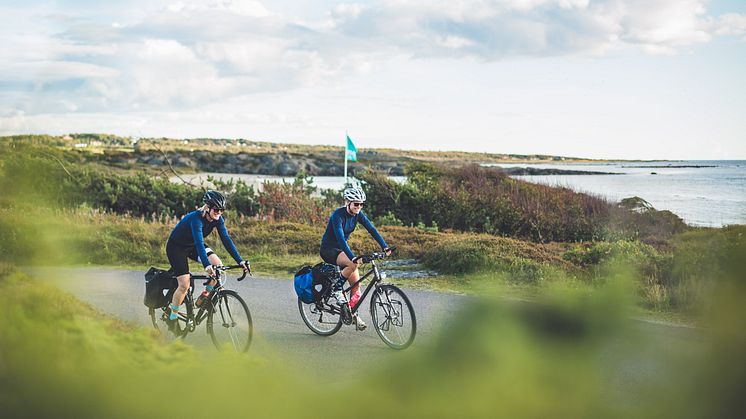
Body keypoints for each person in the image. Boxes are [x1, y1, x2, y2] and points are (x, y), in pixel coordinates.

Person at [165, 190, 250, 323]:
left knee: (218, 267)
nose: (219, 213)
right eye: (216, 209)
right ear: (208, 207)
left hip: (192, 245)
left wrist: (240, 261)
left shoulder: (218, 219)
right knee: (184, 284)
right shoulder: (196, 219)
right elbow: (199, 243)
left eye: (222, 210)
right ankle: (173, 317)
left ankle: (203, 297)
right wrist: (206, 265)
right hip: (176, 248)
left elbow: (226, 239)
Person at [320, 187, 392, 330]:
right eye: (356, 204)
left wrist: (385, 246)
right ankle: (337, 288)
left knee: (356, 285)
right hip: (329, 249)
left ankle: (353, 315)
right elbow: (341, 239)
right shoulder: (337, 216)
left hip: (341, 250)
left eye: (361, 204)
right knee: (353, 265)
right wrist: (353, 258)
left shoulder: (358, 214)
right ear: (348, 202)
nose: (359, 207)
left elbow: (371, 229)